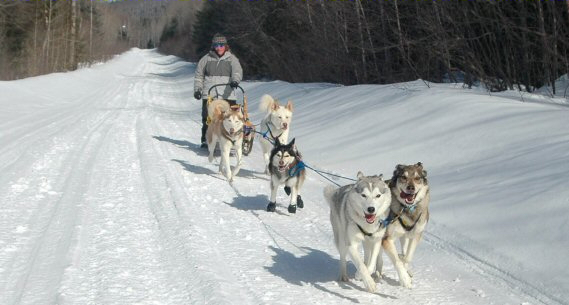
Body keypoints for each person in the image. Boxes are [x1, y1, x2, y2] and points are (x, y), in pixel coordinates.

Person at [194, 33, 243, 149]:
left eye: (221, 45)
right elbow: (198, 76)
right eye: (216, 45)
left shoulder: (232, 59)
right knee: (207, 117)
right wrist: (198, 90)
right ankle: (206, 139)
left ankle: (231, 138)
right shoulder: (205, 59)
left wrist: (235, 81)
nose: (219, 48)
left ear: (225, 46)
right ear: (213, 46)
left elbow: (237, 72)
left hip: (227, 94)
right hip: (209, 93)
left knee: (230, 117)